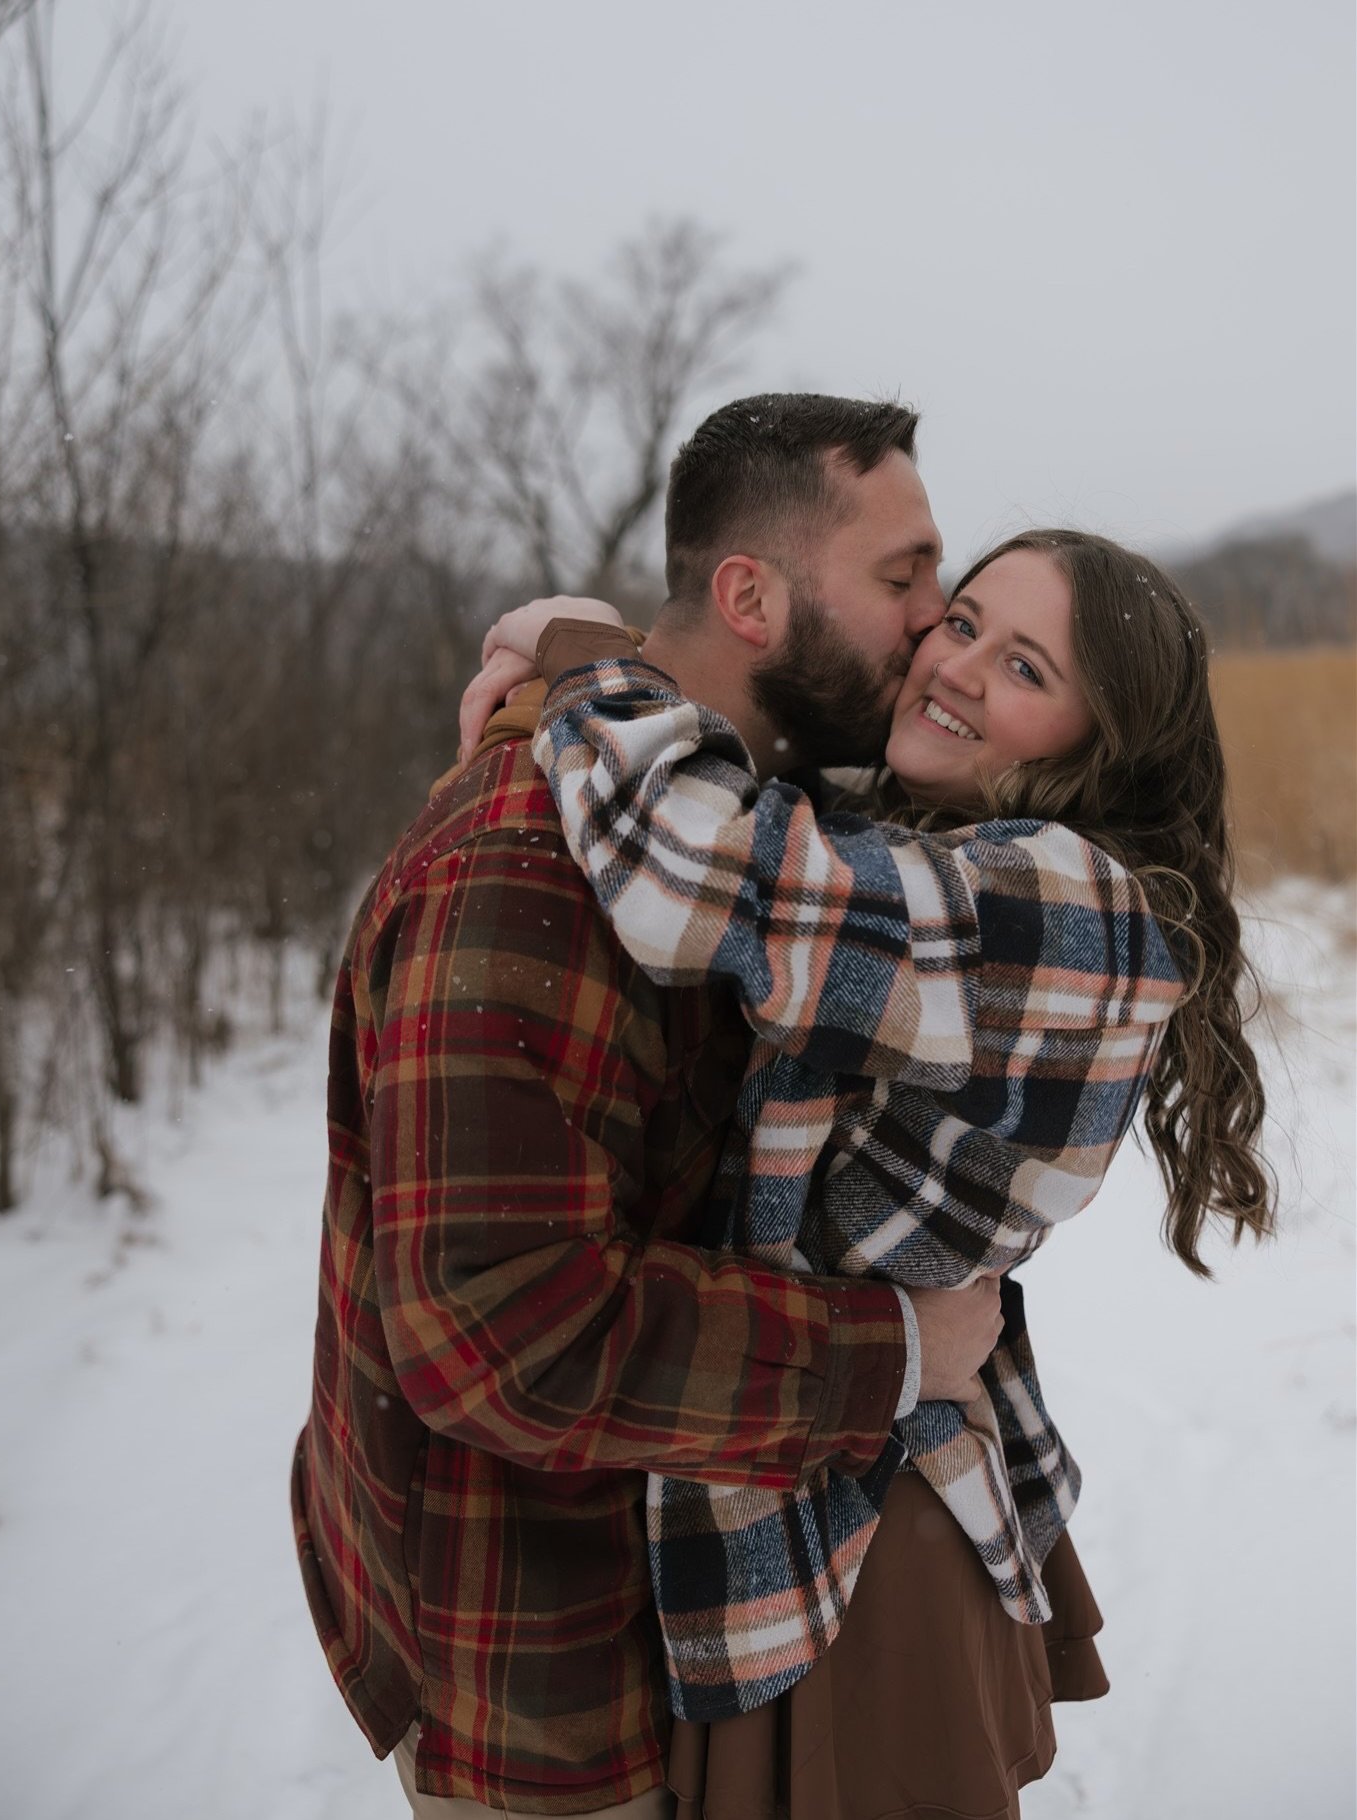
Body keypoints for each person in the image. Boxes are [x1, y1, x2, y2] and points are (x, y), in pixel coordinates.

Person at [469, 525, 1274, 1818]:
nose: (953, 668)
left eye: (1021, 666)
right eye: (955, 621)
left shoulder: (1065, 908)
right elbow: (770, 781)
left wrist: (577, 655)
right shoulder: (939, 837)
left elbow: (695, 868)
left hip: (860, 1545)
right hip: (819, 1479)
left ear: (1096, 740)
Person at [291, 394, 1011, 1819]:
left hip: (682, 1629)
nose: (934, 624)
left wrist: (565, 647)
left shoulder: (728, 829)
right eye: (900, 577)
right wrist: (884, 1353)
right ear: (748, 596)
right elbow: (496, 1328)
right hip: (544, 1688)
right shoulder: (526, 867)